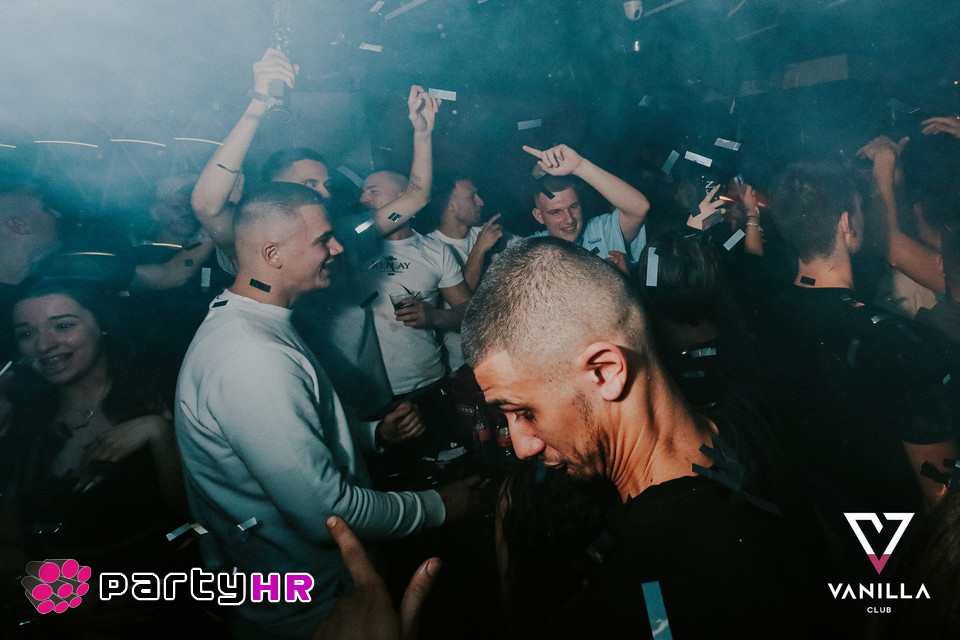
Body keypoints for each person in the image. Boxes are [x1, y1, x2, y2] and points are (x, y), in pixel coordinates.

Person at [459, 237, 825, 639]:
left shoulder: (635, 590)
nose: (522, 445)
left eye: (525, 412)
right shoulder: (750, 417)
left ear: (605, 371)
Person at [175, 183, 478, 639]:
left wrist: (372, 434)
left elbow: (287, 438)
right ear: (273, 254)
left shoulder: (255, 324)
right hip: (311, 616)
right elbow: (327, 514)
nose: (337, 248)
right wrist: (441, 505)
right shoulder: (253, 357)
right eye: (323, 240)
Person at [761, 162, 958, 531]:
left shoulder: (769, 312)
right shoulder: (903, 345)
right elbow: (941, 500)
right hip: (898, 540)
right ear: (846, 224)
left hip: (827, 522)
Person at [1, 278, 205, 635]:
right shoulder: (19, 421)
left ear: (103, 324)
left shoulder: (165, 394)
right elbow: (9, 541)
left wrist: (158, 433)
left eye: (63, 326)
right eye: (26, 333)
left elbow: (200, 519)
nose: (44, 345)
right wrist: (59, 598)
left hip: (169, 609)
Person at [523, 143, 650, 272]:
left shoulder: (600, 232)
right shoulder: (530, 250)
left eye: (573, 207)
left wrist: (579, 166)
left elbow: (639, 209)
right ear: (539, 216)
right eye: (556, 212)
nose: (569, 219)